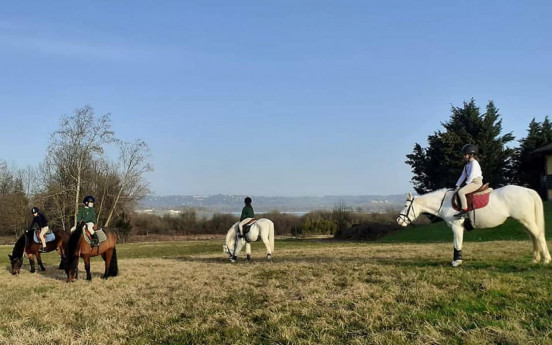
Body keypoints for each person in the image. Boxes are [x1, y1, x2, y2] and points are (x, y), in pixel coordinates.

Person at [454, 144, 483, 218]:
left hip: (476, 182)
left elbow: (472, 175)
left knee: (461, 192)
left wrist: (466, 184)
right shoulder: (467, 165)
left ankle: (464, 211)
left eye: (465, 154)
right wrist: (457, 185)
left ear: (471, 154)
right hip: (471, 182)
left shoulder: (474, 163)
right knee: (458, 190)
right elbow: (463, 175)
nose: (464, 156)